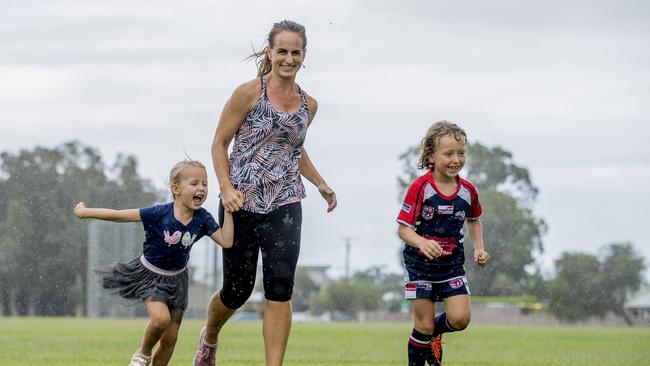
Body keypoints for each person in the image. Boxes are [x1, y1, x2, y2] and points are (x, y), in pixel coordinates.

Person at [193, 20, 336, 366]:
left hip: (285, 202)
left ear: (304, 56)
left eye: (295, 52)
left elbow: (293, 149)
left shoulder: (309, 105)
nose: (288, 58)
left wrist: (319, 182)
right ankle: (209, 336)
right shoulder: (248, 93)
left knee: (280, 288)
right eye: (282, 51)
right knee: (237, 291)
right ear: (270, 52)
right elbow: (219, 143)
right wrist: (226, 188)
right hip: (240, 201)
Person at [74, 159, 234, 366]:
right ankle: (143, 354)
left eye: (205, 184)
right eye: (194, 183)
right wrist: (84, 212)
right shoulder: (159, 213)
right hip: (150, 276)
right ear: (176, 188)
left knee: (170, 339)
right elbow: (119, 216)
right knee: (160, 320)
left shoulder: (203, 218)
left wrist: (229, 209)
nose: (201, 189)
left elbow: (226, 240)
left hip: (178, 280)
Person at [396, 121, 490, 366]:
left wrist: (479, 247)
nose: (455, 159)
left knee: (460, 319)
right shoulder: (420, 188)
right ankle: (425, 342)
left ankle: (434, 335)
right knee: (423, 326)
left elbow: (474, 219)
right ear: (431, 156)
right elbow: (403, 229)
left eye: (461, 153)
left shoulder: (468, 191)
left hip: (451, 266)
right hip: (419, 266)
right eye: (448, 153)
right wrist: (422, 242)